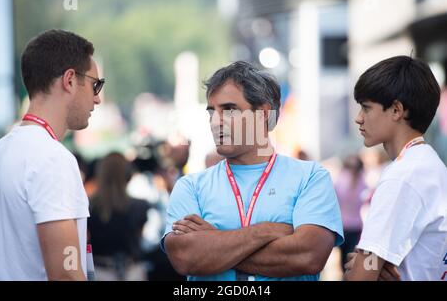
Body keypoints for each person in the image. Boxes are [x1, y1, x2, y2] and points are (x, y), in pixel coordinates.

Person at [162, 61, 344, 281]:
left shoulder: (310, 177)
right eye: (212, 112)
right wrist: (267, 231)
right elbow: (185, 257)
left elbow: (309, 257)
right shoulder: (190, 186)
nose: (215, 122)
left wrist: (214, 241)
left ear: (263, 114)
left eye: (229, 110)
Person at [0, 29, 103, 280]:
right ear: (69, 80)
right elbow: (66, 274)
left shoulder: (2, 150)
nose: (97, 99)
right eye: (95, 85)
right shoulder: (53, 159)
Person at [344, 56, 447, 281]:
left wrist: (359, 267)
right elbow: (371, 264)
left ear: (396, 110)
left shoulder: (403, 176)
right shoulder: (429, 164)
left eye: (366, 108)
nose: (358, 119)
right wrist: (369, 264)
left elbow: (361, 274)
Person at [88, 152, 149, 281]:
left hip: (100, 271)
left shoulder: (88, 207)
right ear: (128, 174)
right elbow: (139, 239)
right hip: (132, 270)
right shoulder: (140, 207)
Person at [334, 154, 367, 269]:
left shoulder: (362, 181)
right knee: (343, 259)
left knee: (349, 258)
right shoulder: (342, 180)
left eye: (355, 166)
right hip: (343, 226)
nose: (353, 169)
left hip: (354, 226)